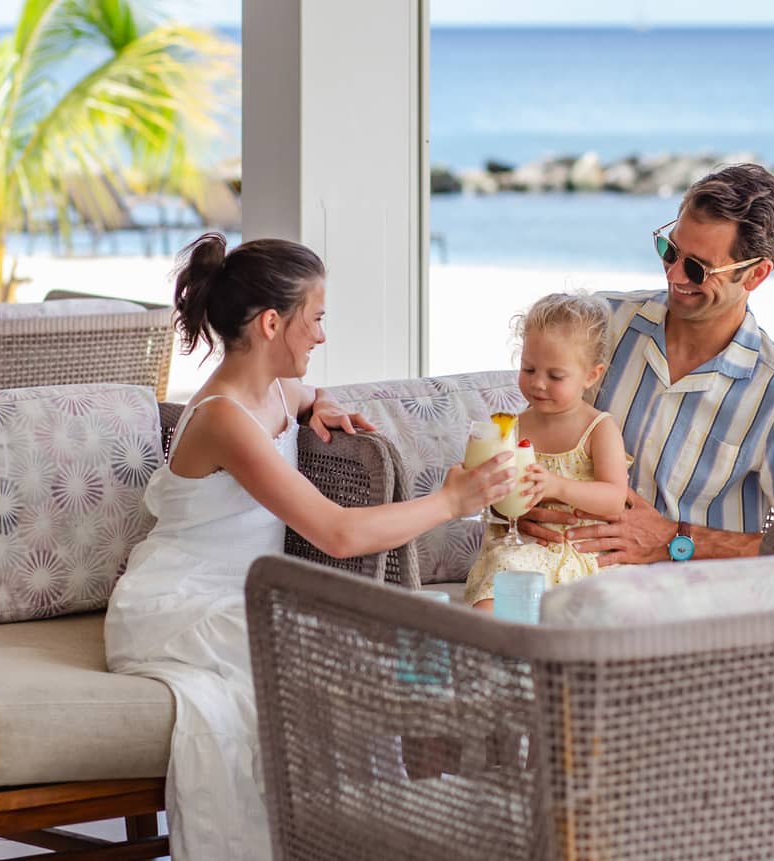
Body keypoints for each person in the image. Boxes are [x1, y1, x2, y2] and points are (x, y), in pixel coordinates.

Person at [104, 233, 515, 861]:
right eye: (316, 319)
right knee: (336, 666)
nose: (322, 336)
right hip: (180, 602)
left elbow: (303, 397)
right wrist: (453, 502)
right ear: (273, 323)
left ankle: (431, 822)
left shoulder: (272, 392)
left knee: (374, 656)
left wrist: (322, 405)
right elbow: (336, 534)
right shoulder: (224, 418)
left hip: (240, 593)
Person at [520, 163, 774, 564]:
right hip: (561, 575)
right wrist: (524, 501)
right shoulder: (600, 326)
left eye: (697, 268)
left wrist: (675, 540)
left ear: (756, 275)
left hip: (687, 607)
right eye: (669, 250)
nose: (674, 274)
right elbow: (537, 423)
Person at [463, 292, 629, 610]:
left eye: (555, 376)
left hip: (578, 551)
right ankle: (491, 653)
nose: (538, 384)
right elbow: (493, 498)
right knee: (497, 593)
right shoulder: (512, 426)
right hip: (519, 548)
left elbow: (614, 499)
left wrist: (558, 486)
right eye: (528, 370)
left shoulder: (599, 428)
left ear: (591, 375)